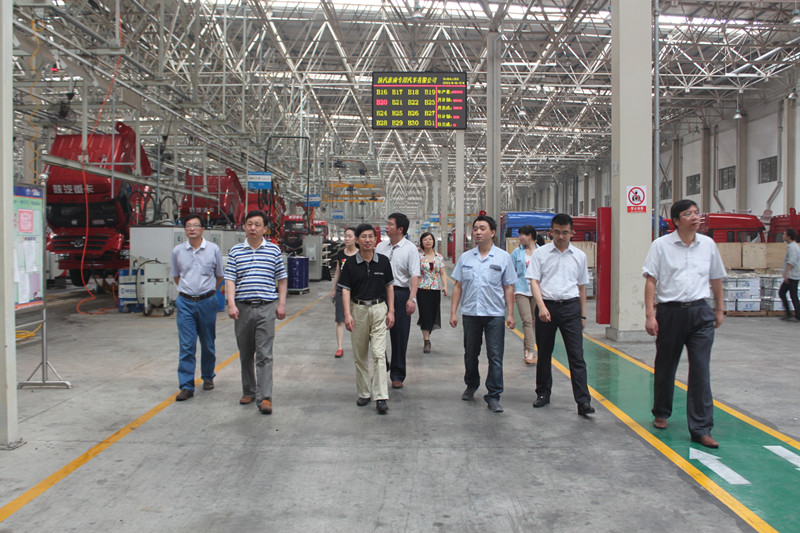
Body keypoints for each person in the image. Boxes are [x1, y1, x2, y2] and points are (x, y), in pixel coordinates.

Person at [643, 199, 726, 448]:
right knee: (666, 365)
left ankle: (701, 428)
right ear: (676, 221)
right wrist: (650, 315)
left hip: (700, 313)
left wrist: (719, 308)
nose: (695, 217)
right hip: (670, 312)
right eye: (688, 214)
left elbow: (716, 278)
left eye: (696, 213)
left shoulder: (708, 245)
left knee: (700, 370)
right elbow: (651, 280)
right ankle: (661, 411)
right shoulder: (661, 246)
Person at [527, 213, 594, 416]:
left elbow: (581, 287)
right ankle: (543, 393)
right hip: (546, 306)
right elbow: (534, 281)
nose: (561, 236)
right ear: (551, 232)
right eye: (557, 232)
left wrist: (583, 315)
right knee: (544, 353)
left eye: (565, 232)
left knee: (577, 356)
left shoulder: (579, 256)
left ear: (572, 232)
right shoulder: (541, 254)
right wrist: (541, 307)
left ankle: (583, 401)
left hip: (571, 308)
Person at [449, 215, 516, 413]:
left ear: (492, 232)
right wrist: (453, 312)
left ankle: (494, 395)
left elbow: (509, 287)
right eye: (475, 228)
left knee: (495, 356)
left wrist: (510, 314)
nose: (478, 232)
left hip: (494, 313)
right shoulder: (466, 258)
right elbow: (458, 286)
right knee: (470, 354)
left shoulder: (503, 257)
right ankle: (471, 384)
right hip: (471, 313)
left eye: (482, 228)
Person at [225, 210, 288, 415]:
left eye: (257, 224)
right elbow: (230, 279)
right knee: (245, 353)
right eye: (249, 224)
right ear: (244, 227)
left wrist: (281, 304)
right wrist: (231, 304)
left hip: (266, 307)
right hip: (242, 307)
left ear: (265, 229)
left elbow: (282, 279)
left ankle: (265, 397)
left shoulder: (274, 250)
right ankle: (249, 390)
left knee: (264, 354)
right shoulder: (235, 251)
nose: (253, 228)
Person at [339, 224, 395, 414]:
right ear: (357, 240)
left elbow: (389, 286)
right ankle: (364, 393)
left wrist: (391, 311)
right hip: (358, 310)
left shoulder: (384, 262)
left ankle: (381, 397)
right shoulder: (350, 264)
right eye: (363, 236)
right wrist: (347, 314)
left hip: (379, 309)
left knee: (379, 355)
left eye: (371, 236)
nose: (368, 240)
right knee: (360, 355)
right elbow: (345, 290)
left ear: (375, 239)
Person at [171, 214, 224, 401]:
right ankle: (186, 385)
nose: (192, 229)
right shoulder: (178, 251)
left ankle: (208, 376)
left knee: (208, 343)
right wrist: (188, 291)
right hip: (185, 302)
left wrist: (207, 293)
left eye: (195, 225)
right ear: (184, 229)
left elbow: (219, 275)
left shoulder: (213, 249)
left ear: (202, 229)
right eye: (188, 226)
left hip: (207, 302)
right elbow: (176, 276)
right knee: (187, 345)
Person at [376, 212, 420, 389]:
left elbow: (415, 275)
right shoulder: (380, 247)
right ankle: (383, 364)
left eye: (390, 224)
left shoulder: (410, 249)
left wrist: (412, 298)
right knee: (376, 333)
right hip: (380, 294)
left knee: (400, 336)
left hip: (400, 293)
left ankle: (397, 373)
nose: (386, 227)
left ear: (400, 229)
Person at [510, 225, 538, 365]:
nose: (519, 237)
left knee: (533, 321)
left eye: (522, 235)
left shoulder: (540, 252)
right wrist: (512, 290)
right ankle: (532, 351)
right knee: (527, 321)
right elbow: (511, 272)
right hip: (521, 289)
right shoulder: (516, 253)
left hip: (537, 291)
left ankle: (527, 349)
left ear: (530, 236)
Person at [417, 232, 448, 353]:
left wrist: (445, 286)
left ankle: (427, 333)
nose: (428, 241)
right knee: (425, 314)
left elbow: (442, 273)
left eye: (430, 239)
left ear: (433, 241)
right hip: (422, 289)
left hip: (435, 289)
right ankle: (426, 340)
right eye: (425, 239)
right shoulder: (419, 257)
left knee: (433, 314)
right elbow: (415, 273)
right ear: (422, 242)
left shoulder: (439, 257)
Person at [330, 228, 359, 356]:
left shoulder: (360, 254)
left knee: (358, 319)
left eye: (349, 236)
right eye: (345, 236)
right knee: (340, 319)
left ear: (355, 239)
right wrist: (333, 289)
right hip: (342, 289)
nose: (346, 238)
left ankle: (358, 346)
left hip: (357, 290)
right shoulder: (341, 253)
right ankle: (340, 347)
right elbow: (338, 271)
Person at [778, 228, 800, 321]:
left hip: (792, 276)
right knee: (784, 293)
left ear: (789, 236)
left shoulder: (793, 248)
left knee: (792, 295)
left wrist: (786, 274)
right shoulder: (791, 246)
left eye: (784, 234)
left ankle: (797, 315)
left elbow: (791, 262)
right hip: (791, 275)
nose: (783, 236)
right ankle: (790, 313)